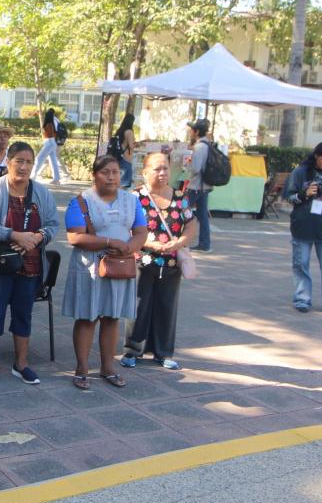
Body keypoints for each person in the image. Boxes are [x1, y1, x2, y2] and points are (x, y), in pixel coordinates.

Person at [63, 155, 148, 389]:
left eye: (116, 172)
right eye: (105, 172)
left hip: (120, 265)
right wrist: (110, 241)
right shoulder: (81, 202)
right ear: (94, 175)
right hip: (89, 267)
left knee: (112, 317)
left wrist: (130, 246)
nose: (111, 177)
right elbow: (74, 236)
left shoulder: (132, 201)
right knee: (87, 317)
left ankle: (108, 368)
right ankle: (81, 369)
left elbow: (141, 231)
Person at [0, 142, 59, 386]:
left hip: (31, 263)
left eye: (28, 162)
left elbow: (53, 224)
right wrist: (15, 235)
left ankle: (21, 363)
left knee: (23, 312)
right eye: (19, 161)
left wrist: (36, 237)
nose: (23, 167)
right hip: (0, 263)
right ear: (8, 162)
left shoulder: (41, 192)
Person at [120, 153, 197, 370]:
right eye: (157, 169)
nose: (162, 173)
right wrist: (151, 244)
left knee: (167, 306)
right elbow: (125, 227)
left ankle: (163, 352)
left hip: (171, 263)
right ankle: (133, 350)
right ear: (144, 172)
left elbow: (191, 224)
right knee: (138, 305)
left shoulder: (180, 197)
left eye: (165, 168)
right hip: (141, 260)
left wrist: (180, 242)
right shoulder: (134, 197)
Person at [284, 141, 322, 317]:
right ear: (317, 156)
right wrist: (304, 194)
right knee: (301, 264)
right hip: (302, 226)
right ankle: (302, 299)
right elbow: (288, 197)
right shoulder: (300, 173)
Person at [185, 118, 213, 253]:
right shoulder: (208, 145)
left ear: (196, 132)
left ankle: (175, 237)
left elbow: (195, 169)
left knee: (180, 209)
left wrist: (188, 164)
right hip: (206, 185)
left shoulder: (199, 147)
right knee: (202, 215)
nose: (190, 132)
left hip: (196, 185)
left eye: (192, 130)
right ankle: (205, 243)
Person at [32, 108, 64, 185]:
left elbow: (48, 135)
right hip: (52, 143)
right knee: (53, 161)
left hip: (49, 142)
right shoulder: (54, 122)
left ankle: (32, 177)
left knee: (39, 159)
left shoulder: (49, 124)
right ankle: (56, 179)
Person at [114, 113, 136, 189]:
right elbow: (131, 145)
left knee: (119, 181)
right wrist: (136, 144)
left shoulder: (120, 130)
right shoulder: (129, 131)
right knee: (123, 184)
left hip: (120, 157)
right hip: (126, 158)